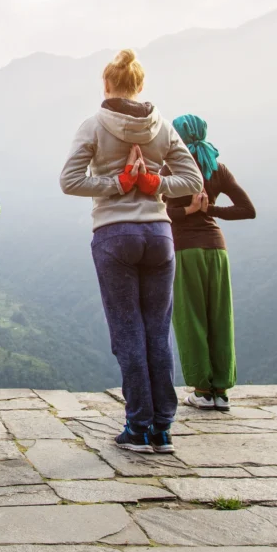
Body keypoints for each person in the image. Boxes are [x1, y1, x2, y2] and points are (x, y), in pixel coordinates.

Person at [59, 49, 202, 455]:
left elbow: (70, 181)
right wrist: (155, 184)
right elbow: (191, 180)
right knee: (157, 331)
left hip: (114, 234)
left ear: (106, 85)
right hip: (159, 234)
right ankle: (162, 429)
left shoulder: (94, 125)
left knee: (128, 334)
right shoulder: (164, 128)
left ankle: (138, 428)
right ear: (140, 86)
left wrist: (118, 184)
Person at [163, 114, 256, 412]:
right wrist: (210, 209)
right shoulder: (218, 168)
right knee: (219, 316)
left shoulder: (172, 169)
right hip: (217, 250)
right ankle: (221, 392)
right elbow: (247, 209)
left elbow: (162, 213)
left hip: (184, 250)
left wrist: (190, 211)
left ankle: (202, 390)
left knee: (191, 317)